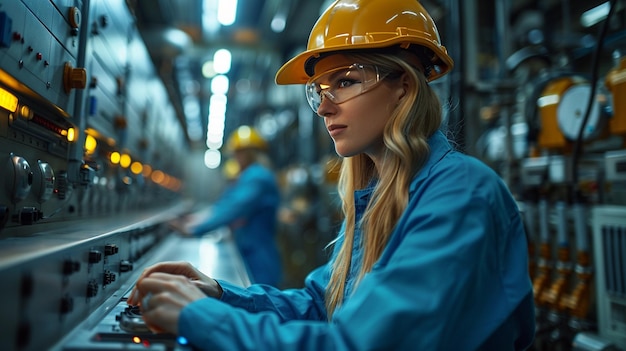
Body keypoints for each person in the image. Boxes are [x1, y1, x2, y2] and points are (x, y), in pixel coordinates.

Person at [128, 0, 536, 349]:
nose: (324, 108)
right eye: (320, 91)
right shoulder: (377, 195)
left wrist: (202, 317)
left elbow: (356, 345)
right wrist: (218, 294)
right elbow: (324, 303)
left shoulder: (461, 195)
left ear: (404, 87)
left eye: (345, 82)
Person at [169, 125, 283, 287]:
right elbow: (224, 205)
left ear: (247, 154)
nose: (234, 157)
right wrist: (196, 218)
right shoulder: (248, 176)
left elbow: (234, 209)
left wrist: (194, 229)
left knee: (260, 301)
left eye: (237, 153)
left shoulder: (258, 176)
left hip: (258, 256)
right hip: (248, 250)